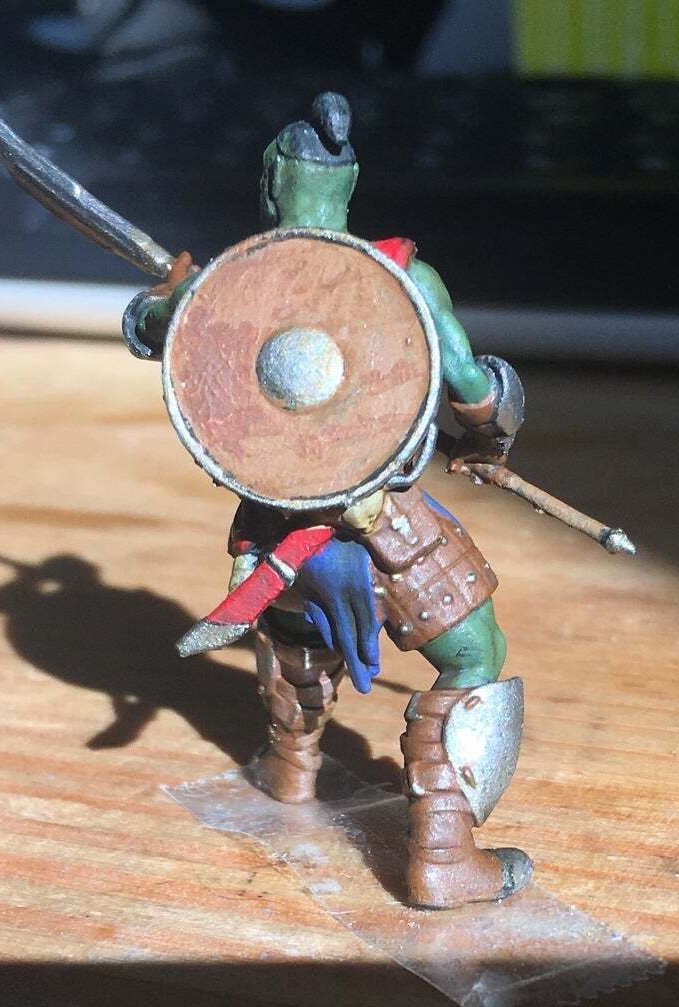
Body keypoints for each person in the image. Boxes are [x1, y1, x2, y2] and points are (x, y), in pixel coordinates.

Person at [123, 93, 531, 910]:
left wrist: (170, 296)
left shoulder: (226, 284)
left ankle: (290, 771)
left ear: (270, 184)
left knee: (294, 635)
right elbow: (474, 392)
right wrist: (488, 441)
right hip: (386, 529)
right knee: (472, 658)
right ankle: (444, 856)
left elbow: (152, 330)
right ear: (347, 187)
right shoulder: (404, 276)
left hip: (271, 536)